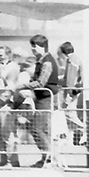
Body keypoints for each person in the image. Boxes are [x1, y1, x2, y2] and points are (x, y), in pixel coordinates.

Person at [21, 33, 61, 166]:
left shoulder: (47, 62)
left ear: (43, 47)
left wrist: (22, 86)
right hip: (42, 98)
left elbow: (40, 83)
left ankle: (49, 155)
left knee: (37, 128)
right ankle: (48, 157)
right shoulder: (42, 60)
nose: (33, 49)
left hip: (46, 98)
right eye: (32, 47)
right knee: (43, 129)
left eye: (35, 47)